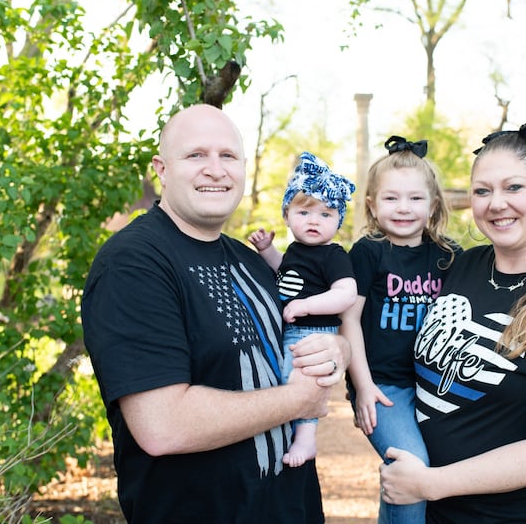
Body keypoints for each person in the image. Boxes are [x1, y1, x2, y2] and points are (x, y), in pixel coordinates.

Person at [81, 104, 349, 523]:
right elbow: (163, 424)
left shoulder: (251, 260)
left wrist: (338, 349)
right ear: (162, 169)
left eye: (227, 156)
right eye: (195, 155)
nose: (215, 169)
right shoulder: (134, 263)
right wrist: (300, 399)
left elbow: (308, 330)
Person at [378, 123, 526, 523]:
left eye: (513, 188)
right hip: (411, 506)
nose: (496, 204)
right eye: (482, 191)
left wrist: (431, 483)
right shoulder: (458, 267)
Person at [340, 136, 461, 524]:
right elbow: (349, 321)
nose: (404, 208)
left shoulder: (448, 256)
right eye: (391, 199)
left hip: (436, 387)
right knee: (411, 466)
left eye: (415, 198)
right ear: (372, 205)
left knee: (443, 473)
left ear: (433, 205)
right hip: (386, 389)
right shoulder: (368, 252)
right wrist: (362, 386)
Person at [248, 151, 357, 467]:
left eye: (326, 214)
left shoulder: (333, 255)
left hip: (314, 331)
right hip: (291, 329)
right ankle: (285, 432)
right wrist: (267, 251)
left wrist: (307, 305)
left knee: (301, 383)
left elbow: (346, 293)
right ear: (286, 214)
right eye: (305, 212)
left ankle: (306, 440)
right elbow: (287, 273)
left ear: (338, 220)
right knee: (282, 380)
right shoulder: (296, 251)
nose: (314, 221)